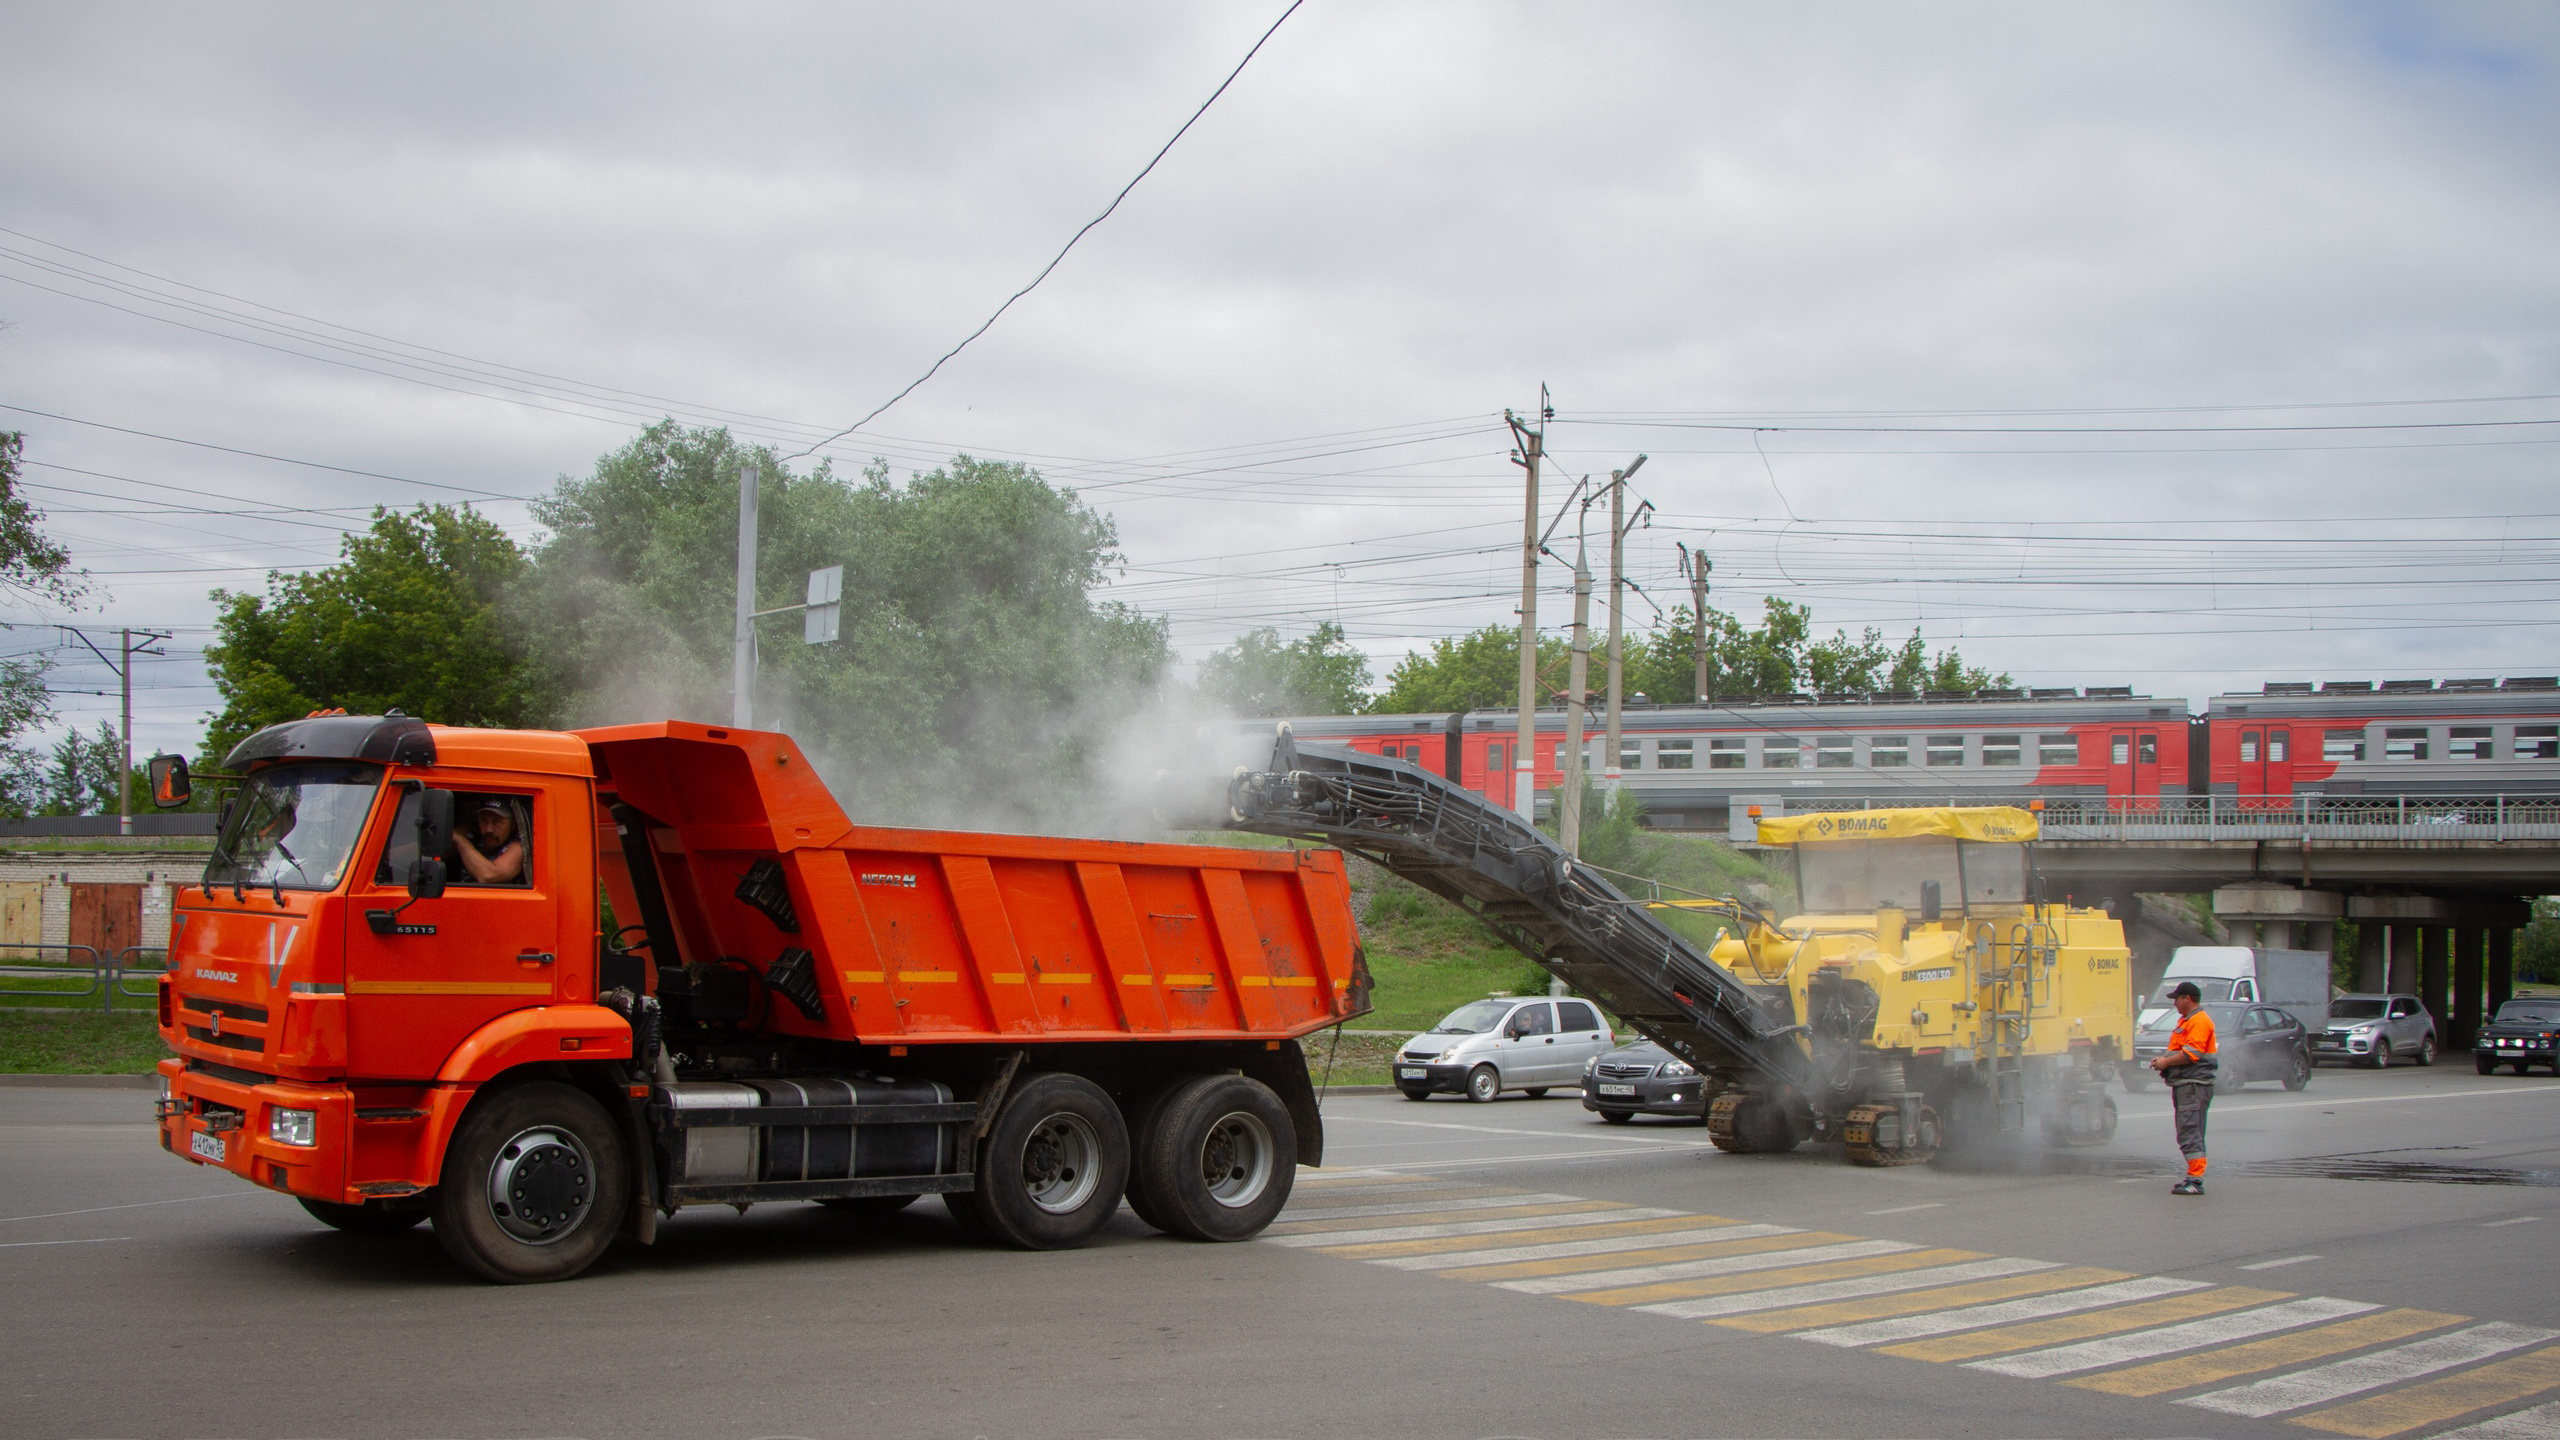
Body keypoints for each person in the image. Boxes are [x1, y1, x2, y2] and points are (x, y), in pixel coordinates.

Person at [2150, 980, 2218, 1195]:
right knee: (2188, 1131)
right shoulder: (2188, 1021)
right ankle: (2193, 1177)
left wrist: (2165, 1063)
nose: (2175, 1004)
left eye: (2177, 999)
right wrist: (2163, 1059)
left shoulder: (2199, 1021)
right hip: (2187, 1084)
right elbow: (2181, 1050)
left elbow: (2191, 1054)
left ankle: (2195, 1181)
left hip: (2193, 1085)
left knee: (2190, 1132)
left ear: (2187, 998)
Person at [451, 799, 526, 885]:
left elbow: (488, 876)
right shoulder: (474, 838)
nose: (488, 829)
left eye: (497, 822)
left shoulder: (518, 847)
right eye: (483, 820)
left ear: (512, 825)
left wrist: (460, 840)